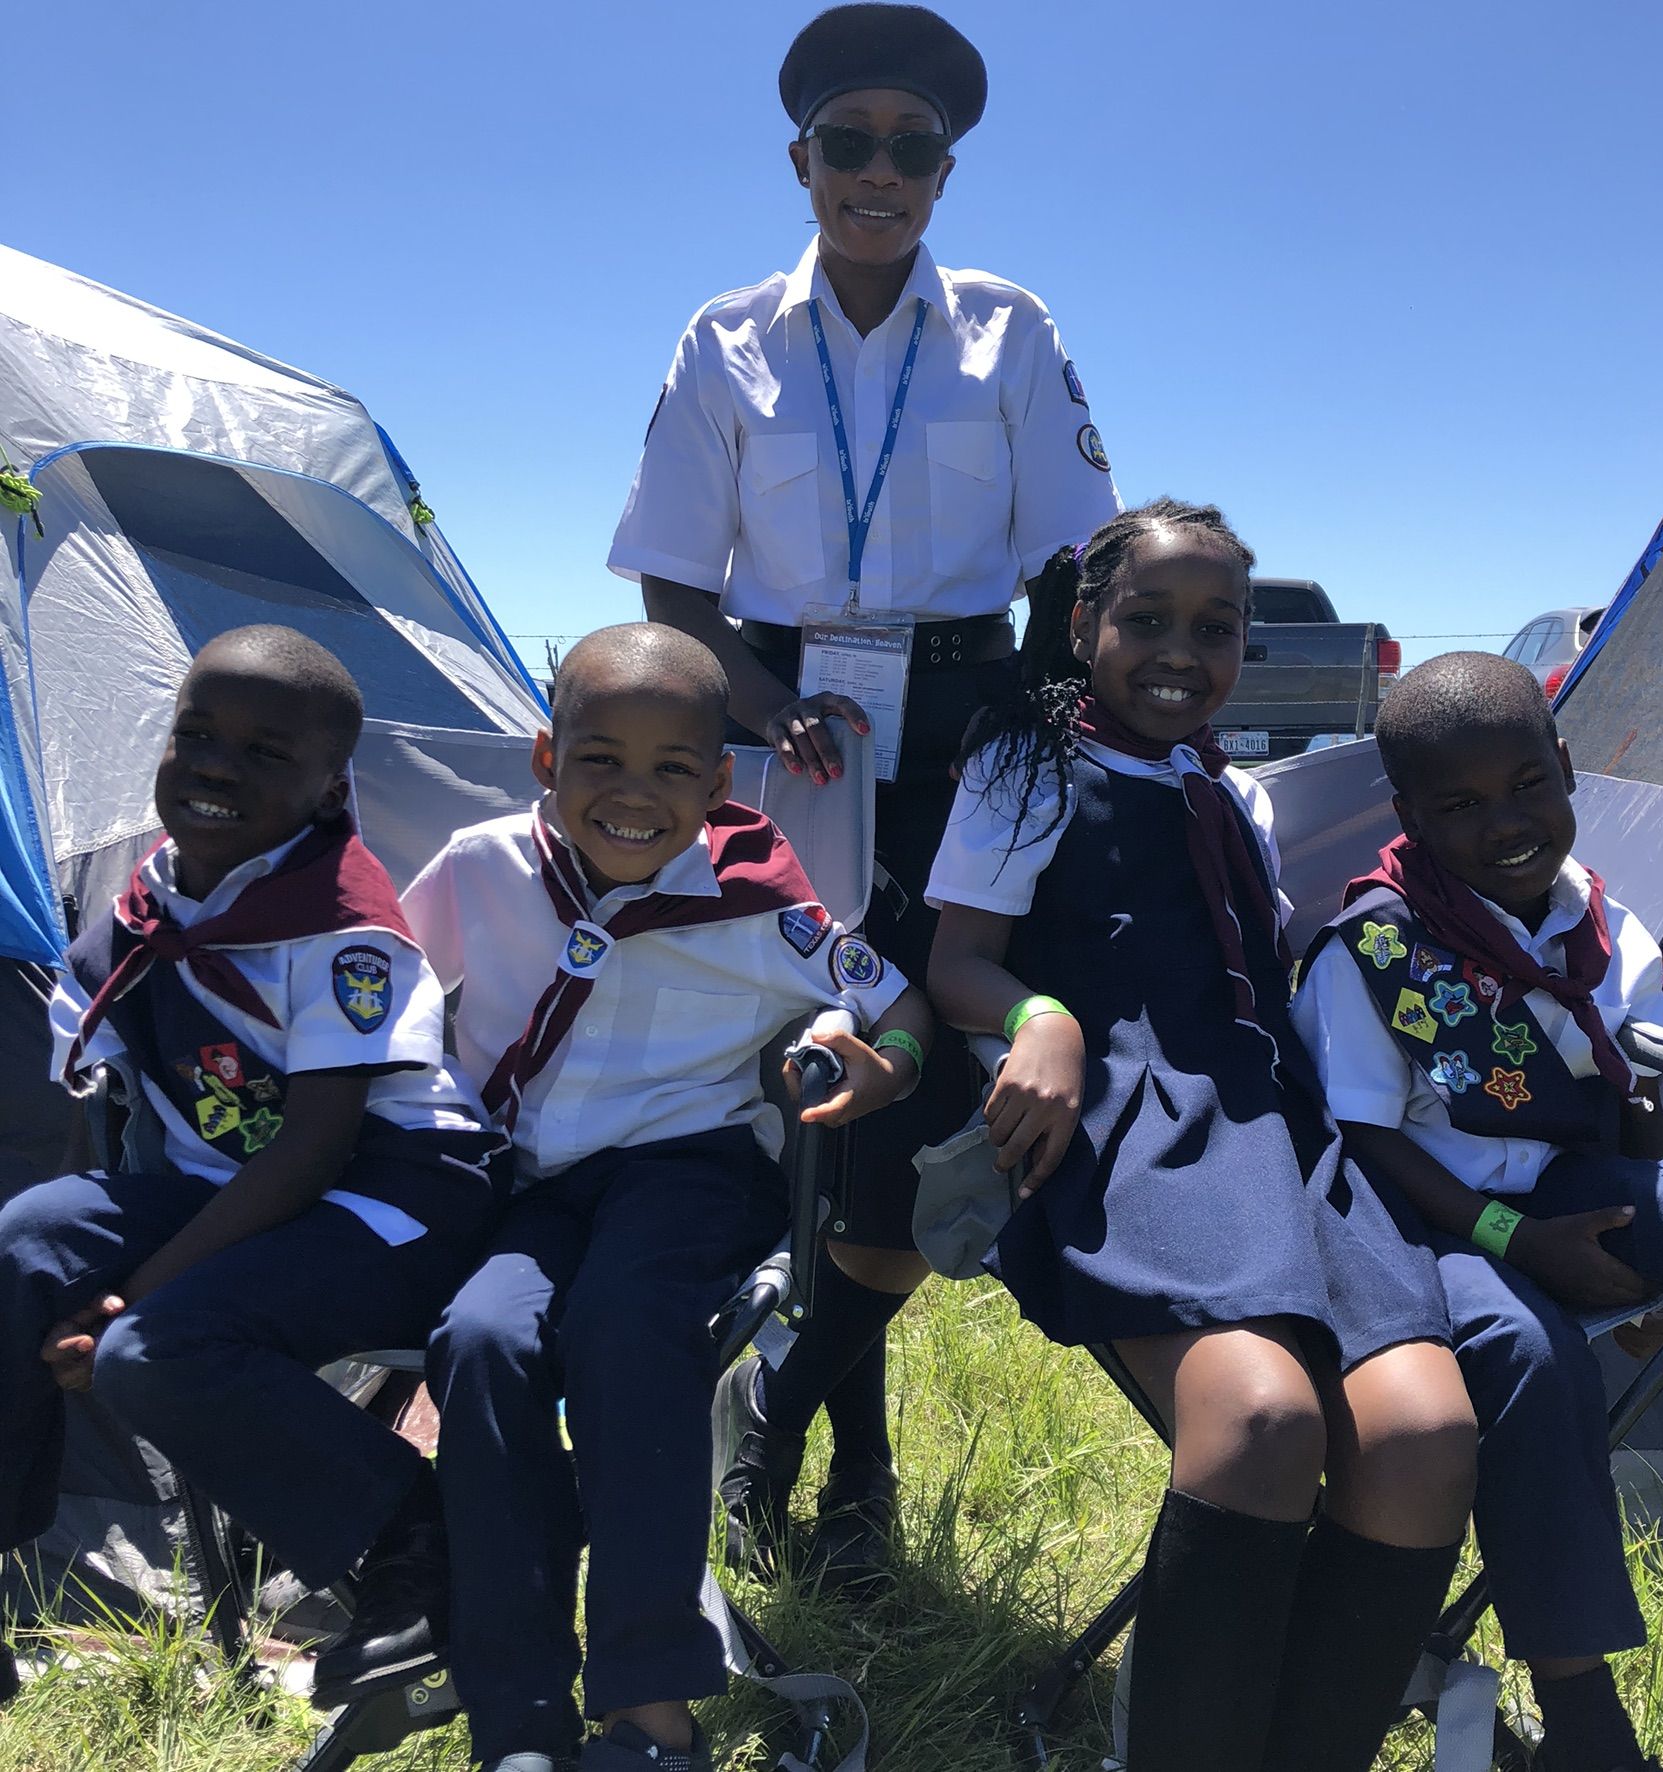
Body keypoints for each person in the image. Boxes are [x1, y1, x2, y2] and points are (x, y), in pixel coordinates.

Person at [608, 1, 1122, 1592]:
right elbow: (672, 586)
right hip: (789, 738)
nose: (879, 171)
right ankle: (851, 1465)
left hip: (960, 740)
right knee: (813, 1081)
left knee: (917, 1080)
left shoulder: (1009, 332)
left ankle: (798, 1438)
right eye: (851, 143)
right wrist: (765, 712)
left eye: (912, 147)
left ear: (945, 173)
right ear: (803, 162)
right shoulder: (725, 341)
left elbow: (1077, 565)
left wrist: (1018, 736)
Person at [923, 502, 1477, 1772]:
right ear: (1084, 624)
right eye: (1147, 618)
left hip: (1279, 1124)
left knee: (1420, 1436)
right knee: (1260, 1419)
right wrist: (1039, 1015)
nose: (1180, 650)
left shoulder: (1234, 794)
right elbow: (955, 959)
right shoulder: (1025, 766)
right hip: (1136, 1124)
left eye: (1215, 627)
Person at [400, 624, 932, 1772]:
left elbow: (898, 1003)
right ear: (545, 757)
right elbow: (388, 991)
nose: (633, 793)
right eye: (599, 758)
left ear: (720, 780)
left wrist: (880, 1063)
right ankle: (518, 1710)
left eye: (672, 767)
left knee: (626, 1323)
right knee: (480, 1337)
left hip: (689, 1174)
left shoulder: (761, 904)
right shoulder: (479, 866)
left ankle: (648, 1709)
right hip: (532, 1183)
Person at [0, 626, 504, 1710]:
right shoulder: (147, 906)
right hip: (232, 1192)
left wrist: (132, 1291)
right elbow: (110, 1115)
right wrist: (82, 1265)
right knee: (27, 1233)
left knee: (151, 1349)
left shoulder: (338, 924)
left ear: (331, 788)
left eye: (267, 752)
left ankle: (418, 1535)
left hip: (391, 1197)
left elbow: (313, 1145)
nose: (218, 766)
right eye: (196, 735)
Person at [1292, 650, 1663, 1772]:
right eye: (1459, 806)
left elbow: (1629, 1092)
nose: (1505, 824)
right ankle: (1581, 1715)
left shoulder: (1601, 921)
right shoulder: (1376, 950)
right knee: (1526, 1350)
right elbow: (1364, 1138)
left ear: (1564, 768)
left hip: (1560, 1181)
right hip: (1429, 1217)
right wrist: (1516, 1240)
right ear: (1408, 815)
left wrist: (1662, 1255)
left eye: (1525, 786)